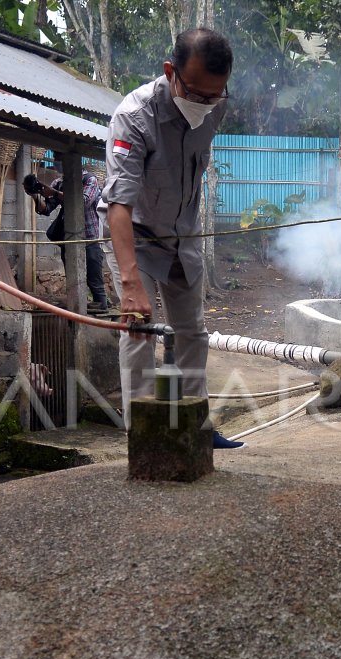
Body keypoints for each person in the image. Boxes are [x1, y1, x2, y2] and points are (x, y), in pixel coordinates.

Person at [100, 28, 244, 448]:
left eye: (215, 95)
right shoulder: (133, 117)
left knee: (192, 332)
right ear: (171, 72)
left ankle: (194, 425)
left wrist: (210, 101)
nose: (205, 104)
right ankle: (143, 434)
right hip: (136, 236)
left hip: (183, 234)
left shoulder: (214, 108)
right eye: (197, 94)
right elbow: (119, 206)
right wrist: (130, 284)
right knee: (139, 331)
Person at [24, 169, 109, 312]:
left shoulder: (90, 180)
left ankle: (103, 315)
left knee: (95, 283)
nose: (58, 159)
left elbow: (83, 202)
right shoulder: (58, 183)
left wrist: (54, 193)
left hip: (89, 238)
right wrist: (35, 194)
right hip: (69, 239)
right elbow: (46, 209)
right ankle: (76, 309)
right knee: (73, 281)